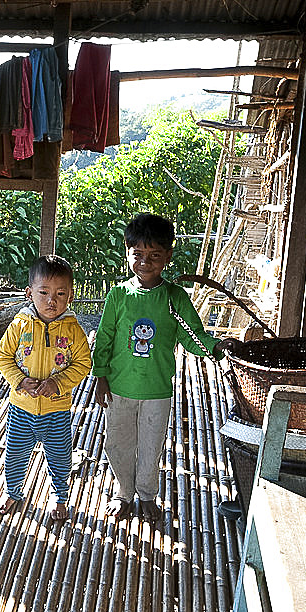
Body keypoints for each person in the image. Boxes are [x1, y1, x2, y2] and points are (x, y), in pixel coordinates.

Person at [93, 213, 238, 519]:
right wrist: (100, 376)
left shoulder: (174, 297)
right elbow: (104, 338)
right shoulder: (118, 295)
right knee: (117, 445)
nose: (145, 262)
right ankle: (124, 493)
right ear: (127, 252)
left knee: (151, 447)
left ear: (168, 256)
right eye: (138, 254)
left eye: (154, 255)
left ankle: (146, 495)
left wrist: (216, 348)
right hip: (119, 388)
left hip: (158, 391)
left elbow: (192, 335)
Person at [0, 255, 93, 520]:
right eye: (44, 292)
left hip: (57, 410)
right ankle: (13, 492)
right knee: (15, 455)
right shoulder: (19, 325)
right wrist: (19, 380)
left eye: (60, 293)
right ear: (29, 293)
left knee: (60, 459)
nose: (52, 300)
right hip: (21, 408)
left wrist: (58, 383)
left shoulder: (74, 330)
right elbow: (2, 356)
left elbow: (84, 363)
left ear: (70, 296)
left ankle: (60, 497)